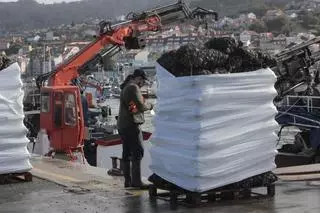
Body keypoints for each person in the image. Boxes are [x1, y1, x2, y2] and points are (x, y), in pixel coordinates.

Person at [117, 69, 153, 189]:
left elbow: (131, 106)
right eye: (142, 81)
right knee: (138, 152)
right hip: (131, 125)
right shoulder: (133, 87)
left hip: (122, 124)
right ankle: (136, 181)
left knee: (126, 153)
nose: (142, 83)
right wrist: (150, 106)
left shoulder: (126, 87)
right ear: (138, 78)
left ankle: (128, 181)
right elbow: (140, 105)